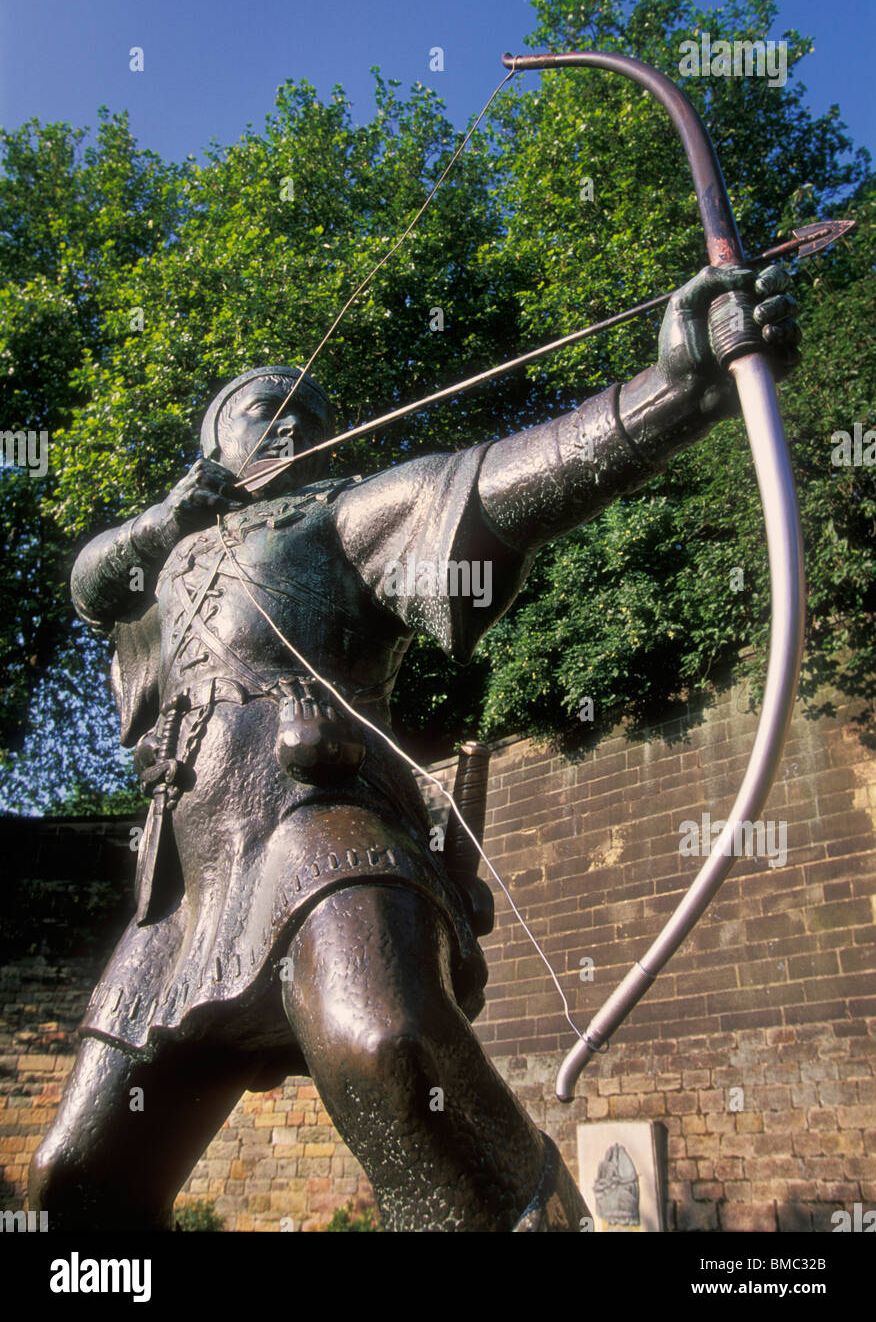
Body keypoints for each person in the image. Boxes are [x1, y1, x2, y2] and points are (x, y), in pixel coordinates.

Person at [29, 263, 799, 1232]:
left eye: (307, 412)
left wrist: (670, 395)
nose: (290, 425)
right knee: (72, 1183)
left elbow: (495, 488)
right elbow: (91, 582)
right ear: (211, 441)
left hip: (314, 832)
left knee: (384, 1044)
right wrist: (168, 518)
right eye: (264, 410)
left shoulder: (339, 514)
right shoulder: (170, 556)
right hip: (184, 889)